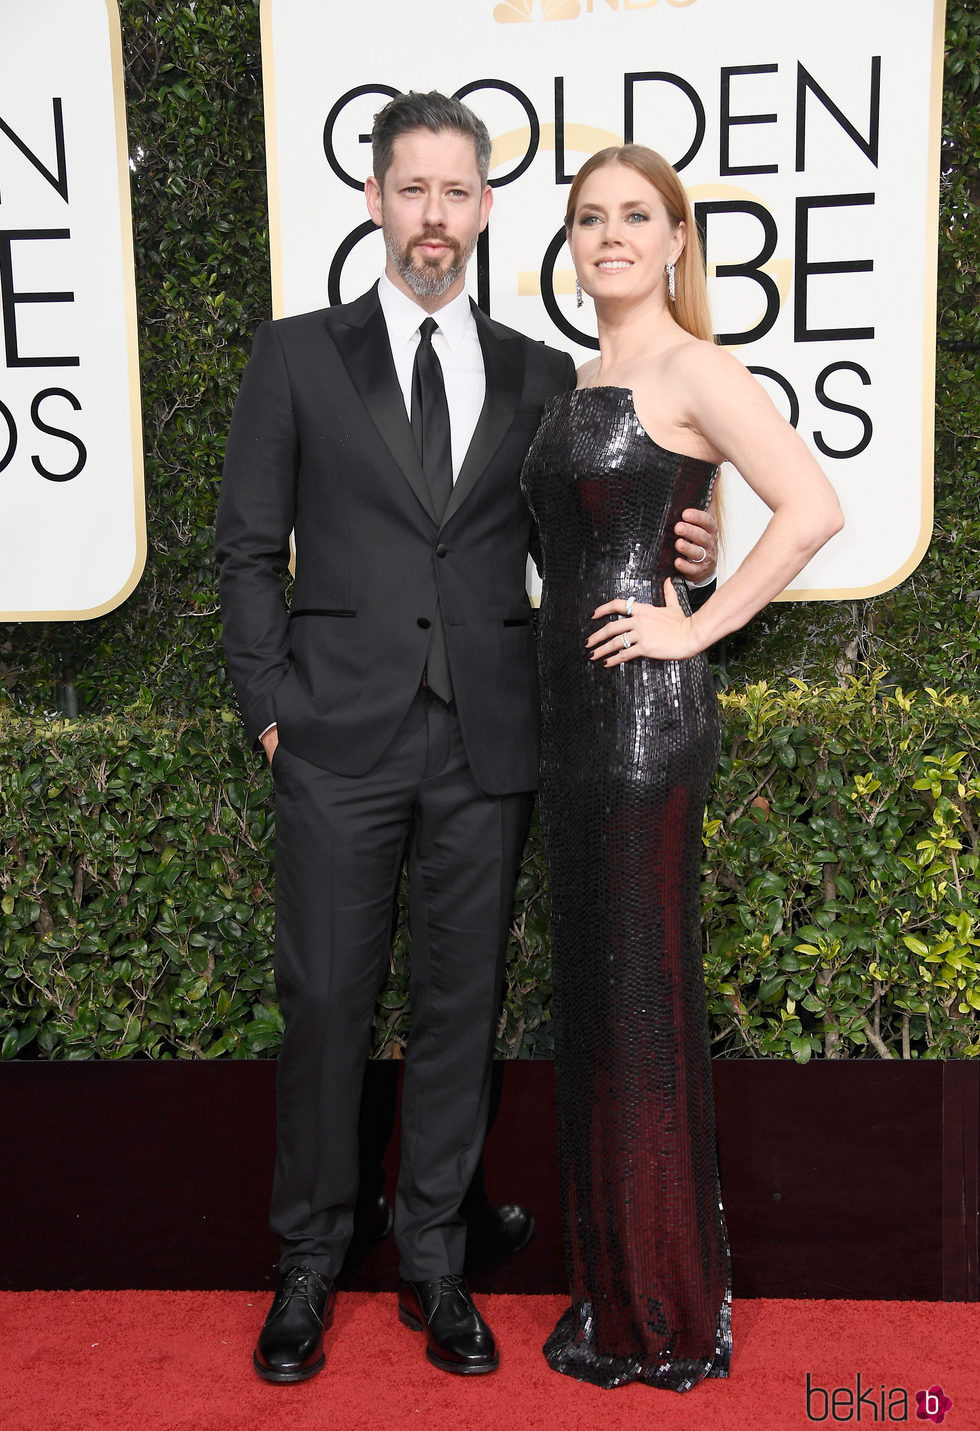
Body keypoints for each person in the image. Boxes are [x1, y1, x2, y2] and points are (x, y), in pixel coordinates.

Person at [216, 95, 718, 1385]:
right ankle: (310, 1264)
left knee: (460, 1007)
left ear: (485, 208)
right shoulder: (295, 357)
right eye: (412, 190)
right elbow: (240, 552)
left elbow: (595, 518)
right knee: (326, 1003)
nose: (435, 215)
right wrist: (271, 708)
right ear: (376, 200)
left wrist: (690, 545)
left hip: (490, 740)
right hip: (333, 735)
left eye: (458, 192)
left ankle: (434, 1262)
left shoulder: (544, 373)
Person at [520, 145, 843, 1391]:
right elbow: (644, 523)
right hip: (572, 722)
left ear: (674, 241)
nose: (609, 236)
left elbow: (809, 508)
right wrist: (690, 558)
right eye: (589, 218)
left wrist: (695, 625)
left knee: (639, 1004)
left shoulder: (694, 364)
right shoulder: (588, 374)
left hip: (643, 724)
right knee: (601, 1007)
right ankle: (617, 1290)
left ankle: (659, 1312)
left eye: (633, 217)